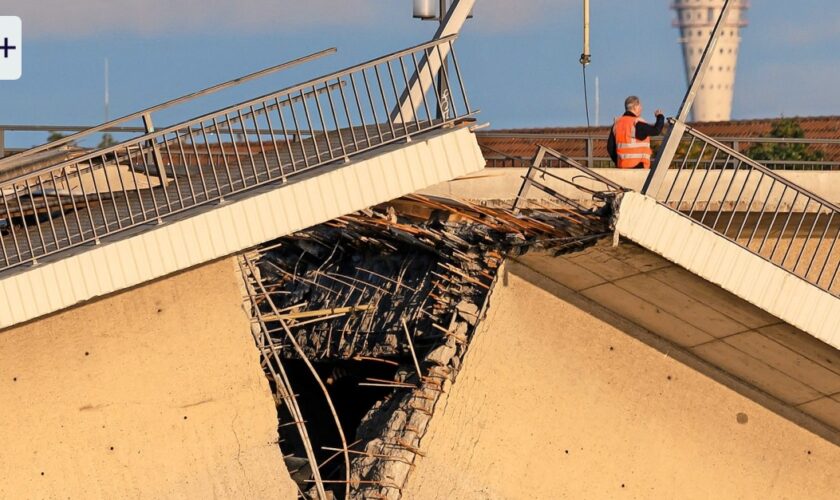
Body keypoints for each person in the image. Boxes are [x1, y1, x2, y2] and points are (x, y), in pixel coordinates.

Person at [607, 96, 665, 169]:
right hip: (638, 166)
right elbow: (656, 130)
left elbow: (610, 147)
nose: (641, 108)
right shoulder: (636, 122)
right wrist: (660, 117)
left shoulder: (617, 124)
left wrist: (618, 161)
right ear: (635, 107)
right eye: (640, 105)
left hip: (622, 166)